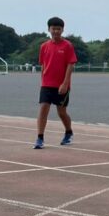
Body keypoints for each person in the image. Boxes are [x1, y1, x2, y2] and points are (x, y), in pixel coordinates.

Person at [34, 16, 77, 149]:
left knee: (61, 112)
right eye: (54, 29)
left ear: (62, 30)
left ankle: (69, 132)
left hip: (61, 85)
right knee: (43, 109)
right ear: (49, 29)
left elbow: (70, 65)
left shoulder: (67, 45)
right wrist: (43, 80)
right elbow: (43, 64)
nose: (56, 31)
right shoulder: (44, 46)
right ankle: (40, 138)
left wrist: (65, 83)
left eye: (59, 29)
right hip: (46, 84)